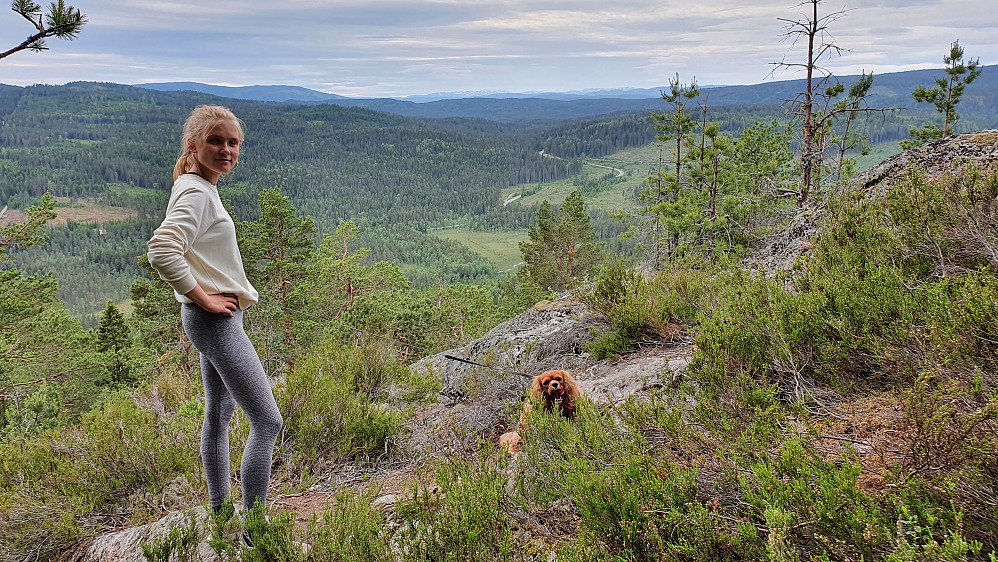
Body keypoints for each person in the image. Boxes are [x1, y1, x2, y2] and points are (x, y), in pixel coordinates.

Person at [147, 105, 283, 516]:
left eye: (232, 142)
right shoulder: (196, 192)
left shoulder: (198, 184)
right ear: (193, 145)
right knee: (267, 422)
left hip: (210, 319)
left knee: (219, 414)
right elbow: (161, 249)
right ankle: (255, 528)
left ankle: (222, 515)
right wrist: (204, 298)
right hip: (214, 320)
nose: (226, 149)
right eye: (215, 140)